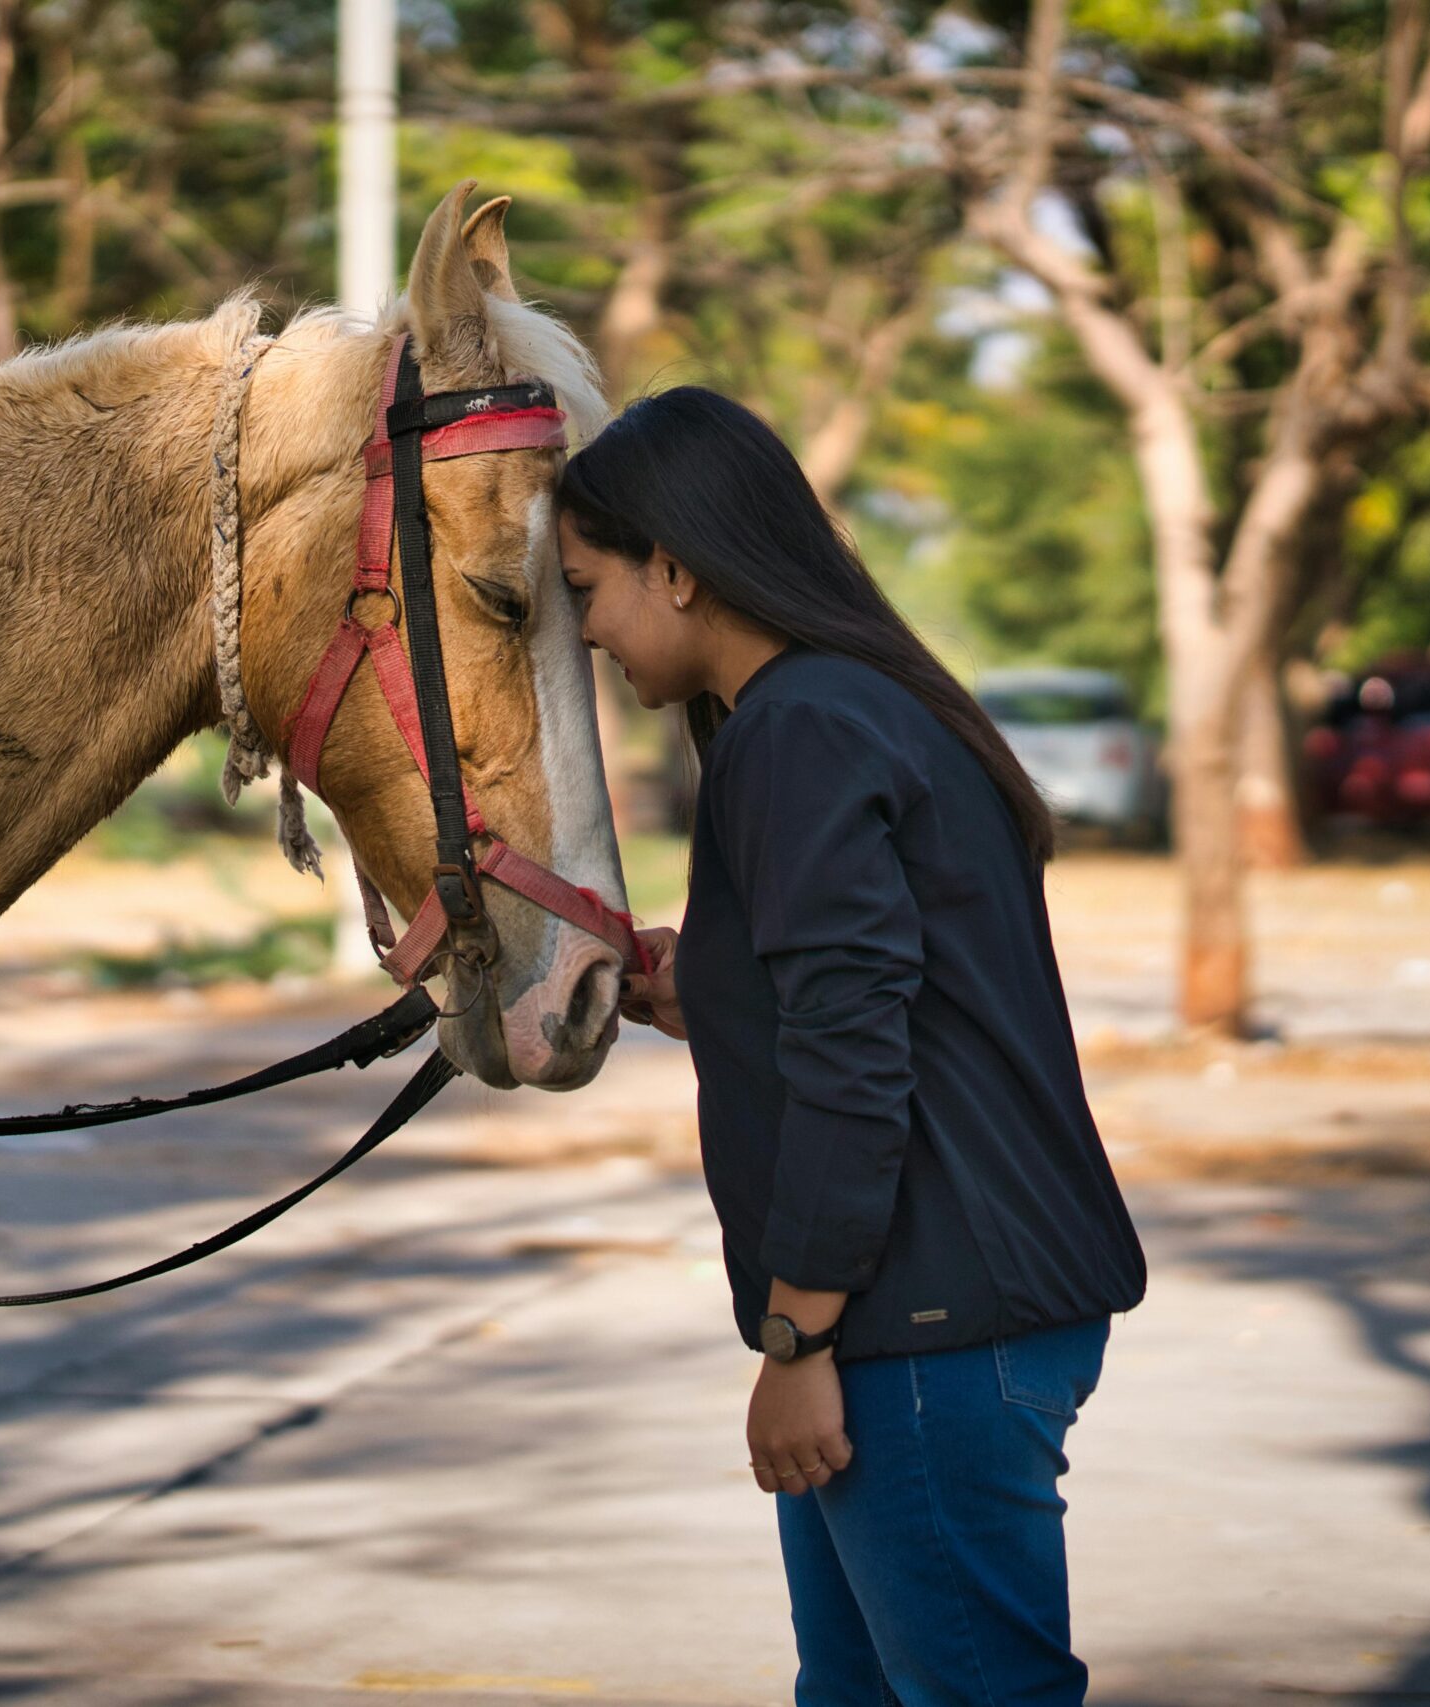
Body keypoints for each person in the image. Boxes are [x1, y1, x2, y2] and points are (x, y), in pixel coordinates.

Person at [556, 387, 1147, 1706]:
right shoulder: (860, 705)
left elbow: (853, 1064)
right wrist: (694, 988)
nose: (584, 631)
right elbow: (883, 996)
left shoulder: (801, 729)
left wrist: (797, 1343)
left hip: (922, 1326)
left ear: (677, 567)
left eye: (587, 588)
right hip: (948, 1312)